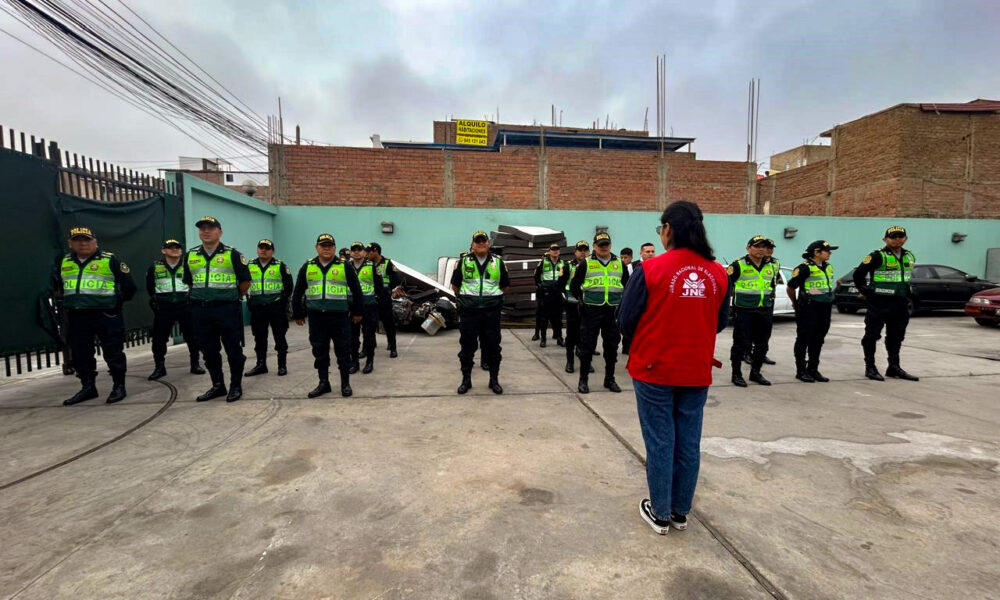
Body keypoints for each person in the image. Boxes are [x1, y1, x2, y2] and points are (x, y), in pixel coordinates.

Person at [617, 200, 729, 535]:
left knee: (660, 441)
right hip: (695, 370)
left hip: (654, 369)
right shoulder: (718, 273)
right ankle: (680, 511)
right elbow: (720, 322)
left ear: (668, 229)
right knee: (688, 442)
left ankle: (660, 512)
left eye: (660, 228)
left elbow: (625, 321)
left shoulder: (650, 269)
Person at [55, 226, 137, 405]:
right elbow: (59, 286)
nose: (83, 243)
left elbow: (130, 287)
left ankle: (119, 386)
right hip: (77, 315)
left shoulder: (109, 260)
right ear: (70, 243)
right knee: (80, 353)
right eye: (77, 240)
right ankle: (88, 387)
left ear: (95, 242)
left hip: (105, 314)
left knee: (113, 352)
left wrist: (115, 304)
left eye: (86, 239)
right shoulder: (64, 261)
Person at [183, 216, 251, 403]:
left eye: (211, 228)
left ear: (219, 232)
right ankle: (218, 385)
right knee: (209, 351)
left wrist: (232, 296)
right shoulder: (191, 255)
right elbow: (189, 281)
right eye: (202, 228)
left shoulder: (232, 254)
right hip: (200, 310)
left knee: (233, 350)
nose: (206, 231)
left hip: (226, 309)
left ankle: (235, 386)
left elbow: (245, 281)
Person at [292, 233, 364, 397]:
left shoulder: (344, 266)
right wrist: (298, 313)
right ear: (316, 247)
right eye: (323, 245)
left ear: (334, 248)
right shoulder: (308, 266)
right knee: (319, 351)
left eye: (329, 246)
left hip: (339, 317)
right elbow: (298, 291)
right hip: (316, 317)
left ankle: (345, 383)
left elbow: (357, 290)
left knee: (343, 351)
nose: (326, 248)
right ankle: (323, 383)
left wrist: (358, 312)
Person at [853, 226, 919, 382]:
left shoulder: (909, 256)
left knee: (897, 335)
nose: (897, 239)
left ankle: (894, 367)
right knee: (872, 335)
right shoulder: (877, 256)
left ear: (905, 239)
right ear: (885, 239)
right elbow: (858, 275)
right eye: (893, 237)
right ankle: (870, 367)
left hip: (900, 302)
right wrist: (867, 292)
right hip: (879, 302)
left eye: (900, 236)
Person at [451, 230, 509, 395]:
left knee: (493, 347)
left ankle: (494, 380)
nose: (481, 243)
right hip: (469, 312)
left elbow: (505, 286)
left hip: (491, 312)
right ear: (472, 245)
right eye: (478, 241)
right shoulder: (463, 262)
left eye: (484, 241)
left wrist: (492, 300)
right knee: (467, 348)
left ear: (489, 244)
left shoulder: (498, 262)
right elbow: (455, 286)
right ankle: (466, 380)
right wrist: (467, 300)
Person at [570, 232, 629, 393]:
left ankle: (610, 379)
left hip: (612, 312)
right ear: (595, 246)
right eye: (601, 245)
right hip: (591, 311)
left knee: (611, 347)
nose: (604, 247)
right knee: (587, 346)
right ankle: (583, 380)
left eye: (606, 244)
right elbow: (574, 286)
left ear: (610, 245)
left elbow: (627, 286)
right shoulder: (586, 263)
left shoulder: (619, 263)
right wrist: (583, 301)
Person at [146, 238, 204, 380]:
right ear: (163, 250)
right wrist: (157, 300)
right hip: (164, 307)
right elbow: (150, 286)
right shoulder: (155, 266)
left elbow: (195, 283)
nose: (175, 249)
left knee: (192, 336)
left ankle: (195, 364)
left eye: (177, 247)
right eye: (171, 247)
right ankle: (159, 367)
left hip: (185, 305)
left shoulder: (188, 265)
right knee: (159, 339)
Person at [727, 235, 778, 387]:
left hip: (764, 310)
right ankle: (736, 374)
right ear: (748, 248)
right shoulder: (738, 265)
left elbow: (771, 286)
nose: (761, 249)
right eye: (757, 246)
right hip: (744, 311)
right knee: (740, 344)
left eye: (764, 246)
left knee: (762, 344)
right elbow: (726, 286)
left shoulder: (771, 265)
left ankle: (755, 372)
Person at [787, 240, 838, 383]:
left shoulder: (828, 267)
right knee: (804, 338)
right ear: (816, 252)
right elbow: (791, 287)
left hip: (825, 307)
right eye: (827, 251)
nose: (830, 253)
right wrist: (795, 303)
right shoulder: (804, 268)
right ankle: (801, 370)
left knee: (818, 338)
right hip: (809, 307)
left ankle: (813, 369)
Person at [244, 239, 294, 378]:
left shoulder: (280, 265)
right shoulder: (249, 265)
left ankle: (282, 365)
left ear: (273, 251)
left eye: (267, 248)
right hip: (257, 307)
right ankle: (261, 365)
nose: (264, 250)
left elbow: (289, 287)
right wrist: (249, 300)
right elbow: (243, 282)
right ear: (257, 249)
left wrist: (282, 301)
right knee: (259, 337)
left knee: (280, 336)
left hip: (276, 307)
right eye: (261, 247)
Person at [346, 241, 384, 374]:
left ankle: (369, 362)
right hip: (351, 305)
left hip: (368, 305)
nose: (356, 252)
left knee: (369, 336)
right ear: (351, 252)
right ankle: (354, 362)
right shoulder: (346, 266)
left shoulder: (372, 266)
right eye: (354, 250)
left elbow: (379, 286)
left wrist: (374, 299)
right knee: (352, 336)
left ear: (364, 252)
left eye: (359, 249)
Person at [368, 242, 402, 358]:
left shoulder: (387, 263)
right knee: (370, 323)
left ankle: (392, 346)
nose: (367, 254)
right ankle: (369, 346)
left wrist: (388, 290)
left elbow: (396, 280)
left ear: (376, 252)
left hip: (384, 297)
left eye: (369, 252)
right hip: (371, 296)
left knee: (388, 322)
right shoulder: (367, 264)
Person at [562, 240, 591, 374]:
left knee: (586, 336)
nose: (583, 253)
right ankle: (570, 361)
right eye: (580, 250)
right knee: (571, 335)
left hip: (588, 305)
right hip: (572, 305)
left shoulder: (592, 266)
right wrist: (564, 298)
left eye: (585, 250)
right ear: (575, 252)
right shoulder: (568, 266)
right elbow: (560, 285)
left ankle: (586, 361)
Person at [532, 243, 567, 347]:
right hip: (546, 292)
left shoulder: (563, 263)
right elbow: (536, 275)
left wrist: (562, 288)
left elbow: (566, 277)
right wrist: (540, 286)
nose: (555, 251)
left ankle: (559, 338)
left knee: (558, 317)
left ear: (559, 251)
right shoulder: (543, 262)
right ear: (549, 251)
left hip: (557, 292)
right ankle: (543, 339)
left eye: (557, 249)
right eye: (553, 249)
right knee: (544, 317)